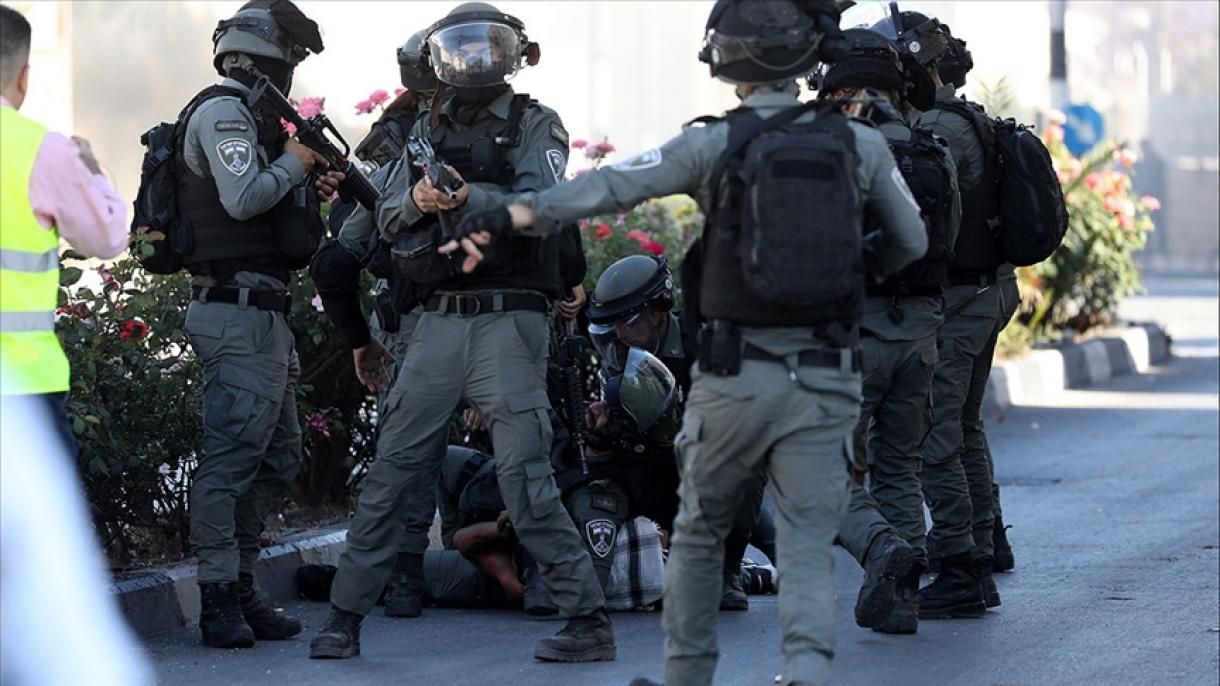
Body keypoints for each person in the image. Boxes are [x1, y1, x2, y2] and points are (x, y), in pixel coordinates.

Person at [443, 2, 927, 682]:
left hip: (736, 375)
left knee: (699, 532)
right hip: (825, 369)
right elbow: (911, 241)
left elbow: (609, 187)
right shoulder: (860, 144)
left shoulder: (711, 144)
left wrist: (509, 211)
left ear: (725, 62)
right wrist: (849, 277)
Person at [310, 3, 614, 663]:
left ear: (512, 55)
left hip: (509, 321)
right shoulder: (423, 128)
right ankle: (343, 618)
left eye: (487, 46)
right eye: (462, 47)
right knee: (393, 472)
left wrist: (468, 197)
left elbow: (542, 206)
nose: (474, 60)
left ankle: (588, 621)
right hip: (439, 322)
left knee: (526, 478)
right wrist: (417, 201)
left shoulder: (536, 123)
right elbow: (385, 219)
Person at [178, 0, 337, 649]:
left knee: (276, 456)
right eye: (289, 59)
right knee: (230, 458)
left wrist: (303, 183)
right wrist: (295, 162)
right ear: (268, 58)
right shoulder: (222, 113)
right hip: (232, 313)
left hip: (266, 317)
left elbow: (271, 207)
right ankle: (220, 597)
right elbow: (242, 198)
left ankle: (240, 583)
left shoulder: (259, 123)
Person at [815, 26, 962, 634]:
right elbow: (947, 242)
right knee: (898, 466)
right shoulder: (934, 150)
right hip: (919, 335)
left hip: (851, 337)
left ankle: (882, 549)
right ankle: (902, 597)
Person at [888, 8, 1021, 617]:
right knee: (964, 424)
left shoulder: (938, 127)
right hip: (988, 292)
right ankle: (986, 540)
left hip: (964, 299)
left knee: (936, 432)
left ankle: (961, 568)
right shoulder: (970, 118)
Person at [311, 26, 436, 620]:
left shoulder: (500, 129)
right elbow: (345, 243)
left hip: (464, 315)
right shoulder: (397, 137)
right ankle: (406, 570)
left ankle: (421, 570)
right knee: (414, 450)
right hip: (419, 315)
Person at [583, 254, 772, 611]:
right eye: (612, 326)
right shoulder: (616, 355)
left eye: (628, 322)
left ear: (659, 311)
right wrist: (601, 430)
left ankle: (728, 569)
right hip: (652, 473)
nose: (620, 335)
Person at [0, 4, 126, 416]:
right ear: (24, 77)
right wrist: (92, 171)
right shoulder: (41, 149)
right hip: (21, 388)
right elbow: (107, 239)